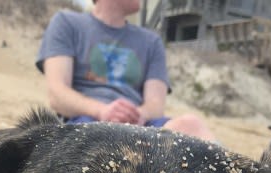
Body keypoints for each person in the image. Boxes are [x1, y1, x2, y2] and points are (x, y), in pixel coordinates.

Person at [36, 0, 214, 139]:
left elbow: (155, 105)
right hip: (85, 120)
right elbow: (57, 94)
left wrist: (134, 116)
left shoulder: (151, 41)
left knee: (191, 125)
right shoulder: (67, 22)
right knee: (96, 137)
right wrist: (102, 111)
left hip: (143, 125)